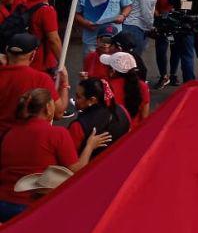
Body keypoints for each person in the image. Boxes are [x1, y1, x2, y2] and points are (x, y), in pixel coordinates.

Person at [0, 88, 109, 222]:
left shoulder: (10, 134)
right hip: (32, 207)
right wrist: (90, 146)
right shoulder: (58, 134)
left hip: (3, 202)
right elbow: (77, 170)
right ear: (47, 108)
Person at [0, 35, 68, 138]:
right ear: (32, 55)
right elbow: (58, 113)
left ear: (6, 51)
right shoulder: (41, 79)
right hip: (25, 139)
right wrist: (64, 84)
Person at [67, 77, 130, 155]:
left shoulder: (78, 127)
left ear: (92, 100)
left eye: (78, 97)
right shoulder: (123, 111)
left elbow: (70, 159)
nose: (75, 100)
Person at [101, 51, 149, 126]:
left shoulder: (107, 86)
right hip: (135, 131)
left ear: (113, 71)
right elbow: (144, 117)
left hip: (115, 132)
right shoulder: (143, 86)